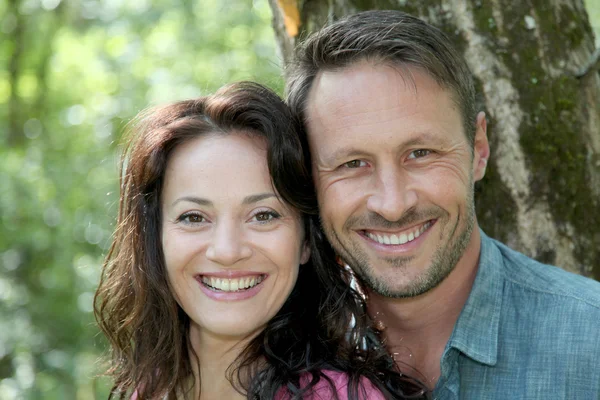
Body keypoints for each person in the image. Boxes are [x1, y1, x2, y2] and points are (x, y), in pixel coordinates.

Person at [286, 10, 600, 399]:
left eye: (420, 153)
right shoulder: (280, 364)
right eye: (353, 164)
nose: (393, 204)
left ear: (479, 150)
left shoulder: (592, 343)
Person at [94, 81, 429, 399]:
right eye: (194, 217)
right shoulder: (150, 390)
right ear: (155, 238)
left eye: (264, 215)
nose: (227, 251)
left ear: (305, 241)